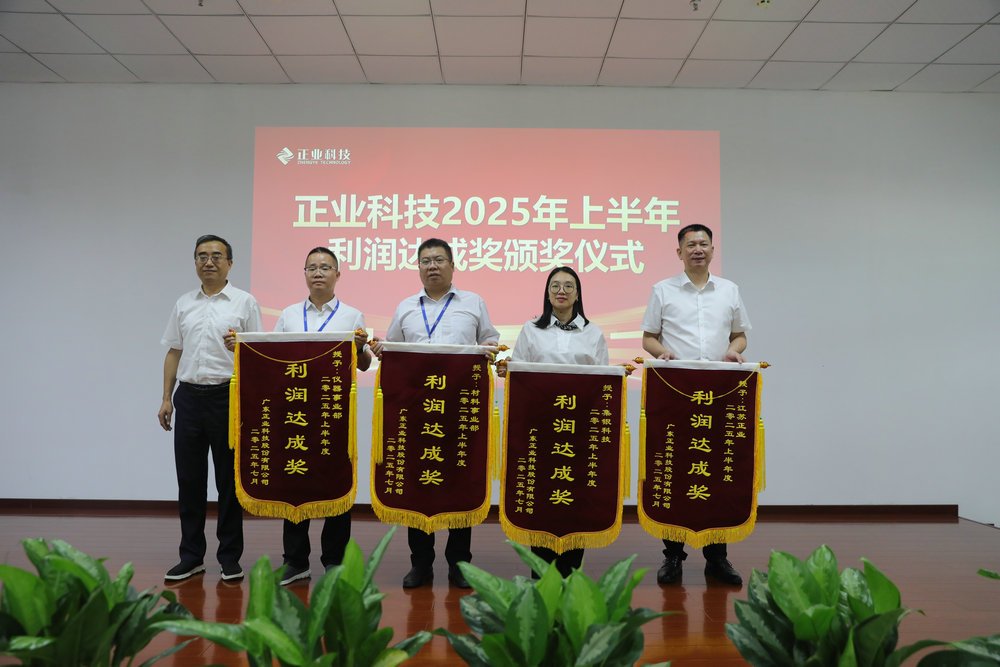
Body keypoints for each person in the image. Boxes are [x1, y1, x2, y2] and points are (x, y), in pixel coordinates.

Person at [370, 238, 500, 589]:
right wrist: (382, 349)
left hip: (459, 409)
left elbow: (490, 340)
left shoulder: (473, 303)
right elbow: (393, 351)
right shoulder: (406, 307)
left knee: (461, 478)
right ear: (418, 267)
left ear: (452, 266)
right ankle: (421, 563)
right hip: (416, 411)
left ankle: (460, 564)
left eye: (439, 259)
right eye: (426, 260)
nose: (432, 266)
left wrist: (490, 349)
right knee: (417, 480)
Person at [640, 223, 751, 586]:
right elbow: (648, 338)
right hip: (676, 391)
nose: (698, 249)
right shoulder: (663, 289)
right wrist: (663, 352)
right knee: (674, 467)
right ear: (680, 252)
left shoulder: (729, 290)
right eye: (691, 244)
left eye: (704, 243)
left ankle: (717, 556)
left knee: (716, 468)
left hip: (718, 394)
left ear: (713, 250)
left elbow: (740, 335)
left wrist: (733, 351)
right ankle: (673, 555)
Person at [158, 235, 263, 582]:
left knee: (229, 483)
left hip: (227, 398)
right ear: (195, 263)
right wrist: (166, 397)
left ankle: (229, 557)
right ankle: (191, 556)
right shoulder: (184, 303)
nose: (209, 262)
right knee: (189, 481)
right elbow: (174, 351)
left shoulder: (245, 303)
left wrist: (240, 347)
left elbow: (258, 354)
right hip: (188, 397)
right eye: (202, 256)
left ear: (230, 263)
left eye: (217, 256)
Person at [270, 247, 372, 586]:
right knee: (295, 480)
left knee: (335, 482)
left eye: (325, 267)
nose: (318, 272)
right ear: (304, 274)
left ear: (337, 275)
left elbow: (363, 365)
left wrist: (360, 347)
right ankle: (295, 560)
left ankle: (335, 560)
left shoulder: (352, 315)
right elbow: (273, 358)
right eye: (312, 267)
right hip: (295, 411)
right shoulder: (288, 315)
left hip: (333, 412)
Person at [507, 266, 609, 577]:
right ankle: (540, 571)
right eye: (555, 286)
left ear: (578, 294)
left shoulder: (593, 333)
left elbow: (603, 383)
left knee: (576, 495)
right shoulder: (530, 330)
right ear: (547, 293)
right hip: (539, 430)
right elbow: (519, 374)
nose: (561, 291)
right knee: (541, 495)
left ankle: (572, 570)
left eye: (568, 286)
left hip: (579, 431)